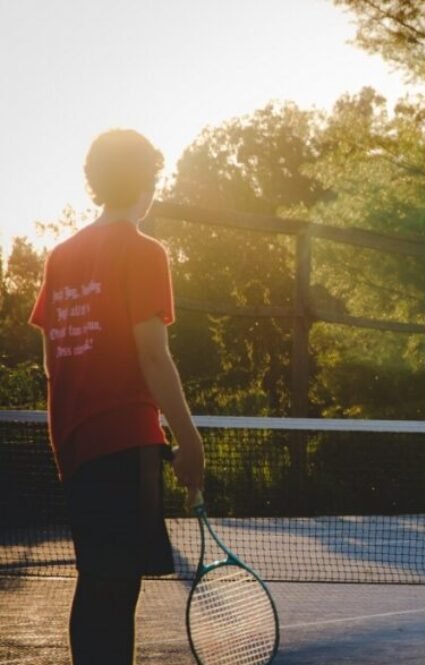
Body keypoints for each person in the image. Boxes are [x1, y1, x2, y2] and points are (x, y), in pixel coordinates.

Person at [29, 129, 205, 665]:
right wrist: (189, 439)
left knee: (96, 583)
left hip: (77, 447)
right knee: (118, 587)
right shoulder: (144, 251)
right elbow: (153, 356)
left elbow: (50, 361)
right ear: (148, 180)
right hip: (126, 444)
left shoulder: (60, 256)